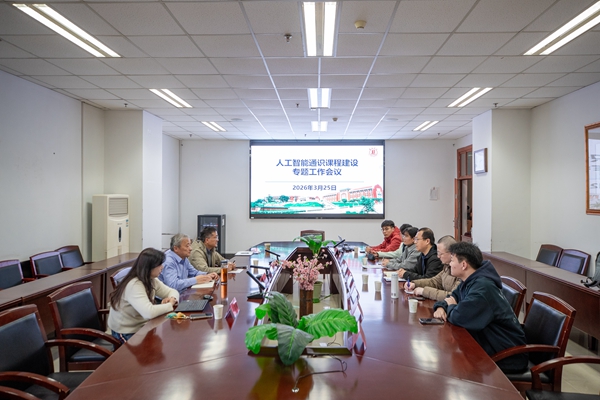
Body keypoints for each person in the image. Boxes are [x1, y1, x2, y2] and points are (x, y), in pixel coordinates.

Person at [433, 242, 527, 373]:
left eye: (452, 260)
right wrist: (441, 307)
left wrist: (452, 305)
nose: (449, 264)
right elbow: (452, 297)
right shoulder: (470, 280)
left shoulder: (483, 288)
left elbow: (459, 317)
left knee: (451, 366)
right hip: (487, 343)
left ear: (464, 265)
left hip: (507, 354)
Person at [108, 248, 180, 343]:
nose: (162, 267)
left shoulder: (151, 279)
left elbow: (172, 291)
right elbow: (149, 313)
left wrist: (172, 298)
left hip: (143, 326)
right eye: (159, 265)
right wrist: (170, 304)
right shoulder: (134, 285)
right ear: (149, 267)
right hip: (126, 332)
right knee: (152, 350)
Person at [404, 235, 460, 301]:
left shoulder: (460, 271)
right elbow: (434, 281)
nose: (438, 256)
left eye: (440, 254)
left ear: (451, 254)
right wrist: (415, 284)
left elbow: (452, 296)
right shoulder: (447, 267)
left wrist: (424, 291)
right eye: (437, 253)